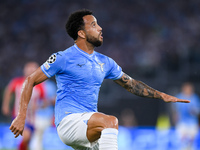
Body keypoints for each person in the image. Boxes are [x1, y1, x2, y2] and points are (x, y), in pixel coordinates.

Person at [9, 9, 190, 150]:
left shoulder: (105, 62)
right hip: (68, 121)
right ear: (81, 33)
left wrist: (160, 95)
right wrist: (21, 116)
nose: (100, 28)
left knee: (106, 131)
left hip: (88, 127)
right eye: (94, 25)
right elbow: (29, 80)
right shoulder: (63, 58)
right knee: (110, 121)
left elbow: (132, 85)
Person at [2, 61, 45, 150]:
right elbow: (8, 90)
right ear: (24, 70)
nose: (31, 71)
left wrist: (38, 106)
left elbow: (44, 101)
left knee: (27, 140)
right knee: (26, 136)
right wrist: (5, 105)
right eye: (29, 69)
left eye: (33, 69)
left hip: (32, 118)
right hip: (18, 115)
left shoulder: (40, 86)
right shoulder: (17, 82)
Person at [173, 82, 200, 149]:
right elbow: (176, 111)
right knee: (182, 141)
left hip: (192, 122)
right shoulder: (179, 97)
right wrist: (175, 120)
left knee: (191, 142)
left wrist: (193, 111)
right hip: (182, 122)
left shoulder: (194, 98)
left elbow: (197, 111)